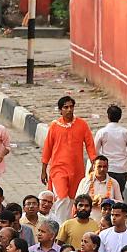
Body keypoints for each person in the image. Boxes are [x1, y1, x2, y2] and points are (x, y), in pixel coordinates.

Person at [41, 96, 97, 225]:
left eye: (71, 107)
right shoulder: (54, 126)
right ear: (60, 110)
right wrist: (44, 170)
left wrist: (94, 162)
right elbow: (47, 148)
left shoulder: (82, 124)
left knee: (73, 199)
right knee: (62, 198)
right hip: (58, 168)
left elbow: (89, 144)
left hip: (77, 169)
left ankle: (69, 226)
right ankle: (60, 229)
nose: (69, 109)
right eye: (66, 107)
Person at [94, 104, 127, 192]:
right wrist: (122, 154)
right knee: (118, 195)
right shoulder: (125, 132)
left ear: (108, 116)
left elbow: (95, 151)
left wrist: (104, 157)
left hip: (106, 169)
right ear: (120, 117)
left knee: (105, 194)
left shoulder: (102, 132)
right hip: (121, 169)